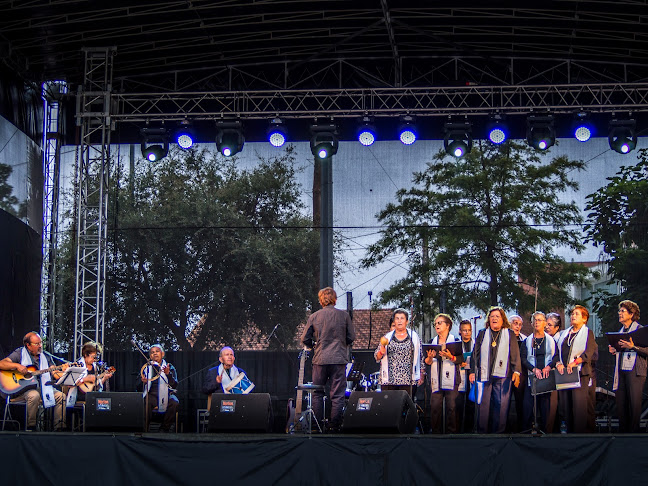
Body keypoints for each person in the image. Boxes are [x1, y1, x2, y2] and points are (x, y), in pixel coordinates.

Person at [301, 287, 355, 432]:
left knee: (318, 393)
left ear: (320, 300)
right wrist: (342, 343)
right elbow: (351, 337)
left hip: (320, 359)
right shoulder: (344, 316)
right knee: (337, 395)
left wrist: (313, 345)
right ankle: (334, 427)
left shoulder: (314, 316)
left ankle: (316, 427)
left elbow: (305, 338)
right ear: (335, 299)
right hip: (338, 359)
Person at [469, 307, 521, 433]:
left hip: (504, 375)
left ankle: (499, 433)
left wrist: (516, 372)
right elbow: (475, 354)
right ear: (489, 319)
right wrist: (472, 371)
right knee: (483, 405)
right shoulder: (482, 333)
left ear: (502, 319)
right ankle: (482, 433)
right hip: (484, 374)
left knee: (501, 405)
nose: (494, 318)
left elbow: (515, 354)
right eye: (492, 316)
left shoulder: (509, 334)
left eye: (497, 316)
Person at [0, 332, 66, 430]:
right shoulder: (19, 353)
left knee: (61, 396)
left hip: (42, 389)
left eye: (40, 343)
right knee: (34, 395)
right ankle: (31, 427)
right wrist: (17, 366)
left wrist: (65, 370)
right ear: (28, 345)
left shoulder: (46, 356)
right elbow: (2, 363)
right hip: (21, 392)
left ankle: (59, 427)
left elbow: (54, 373)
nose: (40, 346)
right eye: (37, 344)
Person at [556, 305, 598, 433]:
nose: (573, 316)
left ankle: (580, 435)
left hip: (580, 373)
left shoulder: (588, 333)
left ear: (584, 319)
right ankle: (569, 433)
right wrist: (558, 362)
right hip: (565, 373)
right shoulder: (564, 333)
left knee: (579, 405)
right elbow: (557, 352)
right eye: (572, 313)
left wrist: (575, 362)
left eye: (576, 314)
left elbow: (589, 352)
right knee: (566, 406)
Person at [608, 300, 647, 433]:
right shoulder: (620, 332)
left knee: (634, 404)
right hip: (621, 369)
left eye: (623, 311)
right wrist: (614, 350)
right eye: (619, 311)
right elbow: (620, 348)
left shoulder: (640, 330)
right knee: (621, 403)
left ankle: (634, 435)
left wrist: (633, 347)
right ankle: (623, 434)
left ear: (631, 314)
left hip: (636, 371)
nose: (619, 313)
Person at [520, 312, 558, 432]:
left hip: (546, 376)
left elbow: (556, 357)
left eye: (540, 320)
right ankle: (527, 431)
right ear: (531, 323)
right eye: (535, 320)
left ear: (545, 323)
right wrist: (533, 369)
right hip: (532, 377)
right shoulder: (527, 341)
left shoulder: (551, 340)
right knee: (528, 407)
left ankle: (546, 432)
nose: (537, 322)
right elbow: (523, 358)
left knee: (545, 408)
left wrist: (548, 367)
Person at [424, 314, 462, 433]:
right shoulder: (432, 342)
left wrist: (450, 356)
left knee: (451, 407)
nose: (437, 326)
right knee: (435, 408)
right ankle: (436, 433)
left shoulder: (455, 341)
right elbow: (427, 362)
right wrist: (430, 358)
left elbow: (460, 359)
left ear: (448, 325)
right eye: (435, 324)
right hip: (436, 379)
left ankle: (452, 433)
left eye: (440, 323)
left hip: (452, 379)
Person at [374, 308, 423, 397]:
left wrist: (421, 373)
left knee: (405, 406)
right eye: (397, 318)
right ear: (394, 321)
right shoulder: (387, 337)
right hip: (389, 379)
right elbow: (377, 357)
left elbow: (421, 357)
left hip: (408, 379)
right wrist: (381, 352)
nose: (399, 321)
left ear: (407, 321)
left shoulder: (414, 337)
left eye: (402, 318)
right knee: (391, 408)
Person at [141, 344, 179, 432]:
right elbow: (138, 386)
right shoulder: (146, 368)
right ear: (150, 356)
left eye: (157, 351)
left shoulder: (169, 367)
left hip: (167, 394)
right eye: (152, 352)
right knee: (146, 401)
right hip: (152, 394)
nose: (155, 354)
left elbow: (174, 385)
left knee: (174, 402)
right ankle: (144, 429)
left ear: (162, 354)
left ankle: (164, 429)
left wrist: (168, 374)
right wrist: (143, 382)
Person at [66, 342, 113, 408]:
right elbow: (69, 384)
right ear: (85, 355)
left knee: (106, 404)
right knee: (99, 404)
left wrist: (104, 378)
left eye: (96, 358)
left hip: (93, 395)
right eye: (93, 357)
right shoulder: (77, 365)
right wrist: (85, 379)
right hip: (79, 396)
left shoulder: (95, 367)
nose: (94, 359)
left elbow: (95, 385)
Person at [544, 312, 564, 432]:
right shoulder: (546, 339)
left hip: (557, 377)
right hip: (546, 377)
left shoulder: (559, 340)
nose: (546, 327)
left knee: (555, 407)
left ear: (557, 328)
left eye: (550, 325)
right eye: (546, 324)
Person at [455, 319, 475, 433]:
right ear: (460, 331)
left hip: (471, 375)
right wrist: (459, 362)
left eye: (469, 330)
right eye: (464, 330)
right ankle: (458, 430)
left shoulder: (476, 343)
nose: (467, 332)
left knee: (471, 404)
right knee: (458, 404)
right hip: (460, 375)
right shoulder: (457, 344)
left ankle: (469, 430)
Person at [508, 314, 527, 432]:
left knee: (520, 402)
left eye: (520, 324)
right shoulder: (504, 337)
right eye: (515, 323)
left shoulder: (525, 339)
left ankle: (521, 428)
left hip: (520, 374)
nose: (518, 326)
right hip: (506, 374)